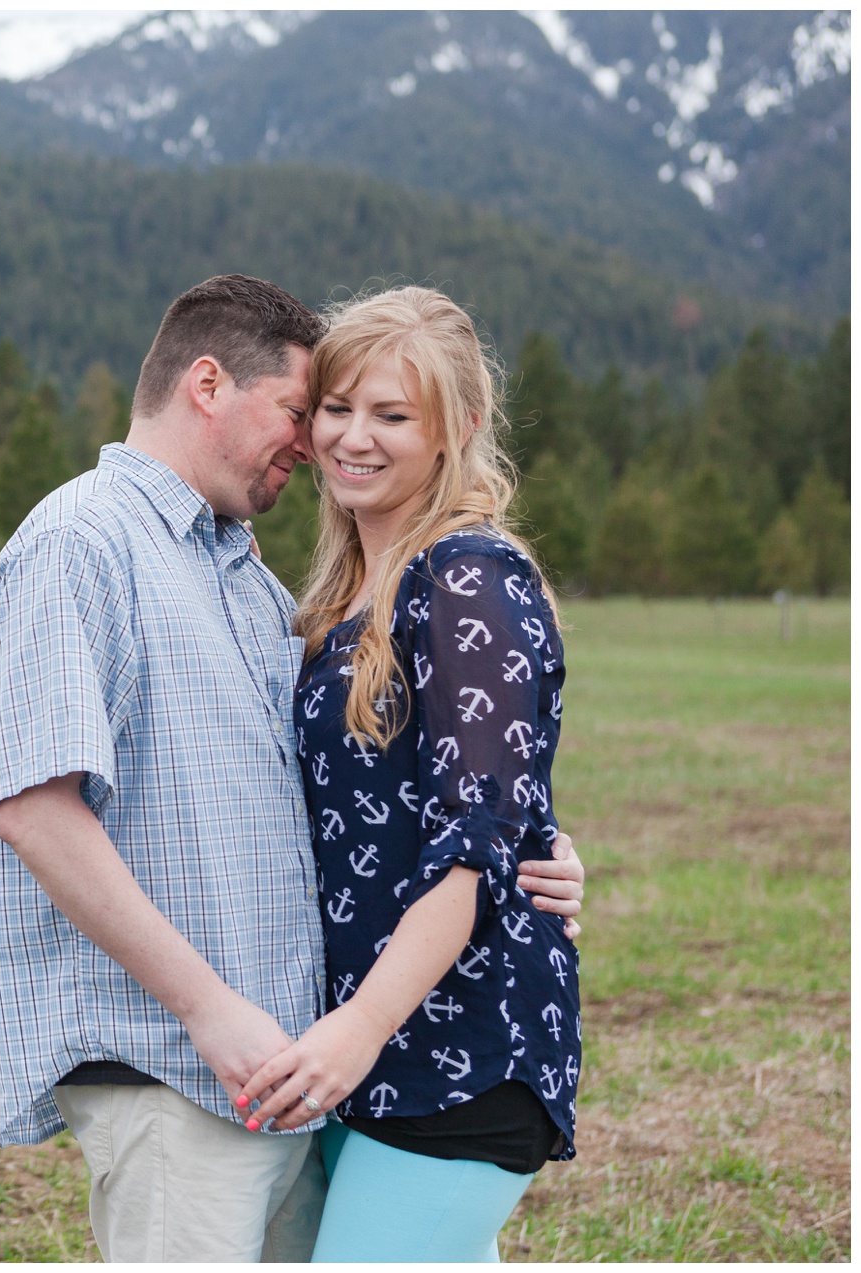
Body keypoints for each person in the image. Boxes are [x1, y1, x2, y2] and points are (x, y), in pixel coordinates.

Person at [0, 275, 585, 1261]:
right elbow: (36, 812)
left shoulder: (309, 580)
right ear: (208, 384)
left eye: (384, 413)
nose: (323, 441)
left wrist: (533, 845)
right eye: (316, 410)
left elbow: (456, 806)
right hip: (233, 1062)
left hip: (405, 1058)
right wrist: (222, 1012)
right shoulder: (92, 542)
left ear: (455, 429)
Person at [235, 286, 581, 1261]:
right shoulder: (344, 593)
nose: (353, 437)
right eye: (336, 408)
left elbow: (467, 851)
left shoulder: (468, 576)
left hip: (454, 1047)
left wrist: (357, 1028)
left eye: (392, 415)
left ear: (458, 429)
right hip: (362, 1046)